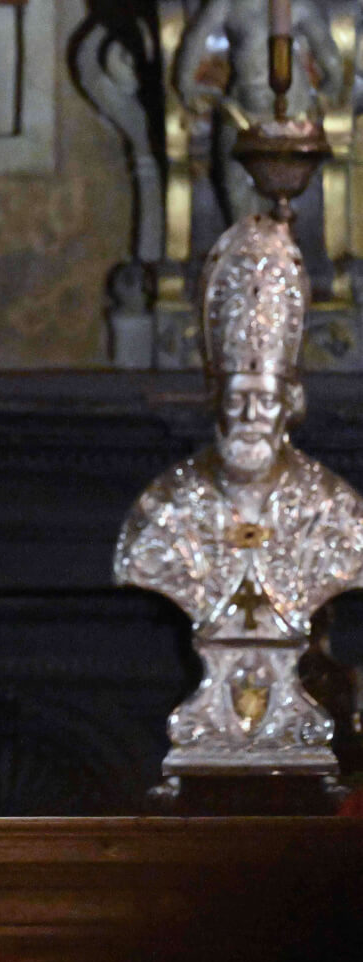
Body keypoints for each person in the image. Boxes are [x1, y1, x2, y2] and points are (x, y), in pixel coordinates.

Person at [116, 215, 363, 763]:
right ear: (216, 403)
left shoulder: (338, 511)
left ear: (288, 408)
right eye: (237, 399)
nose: (251, 415)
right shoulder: (164, 510)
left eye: (265, 399)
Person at [174, 0, 340, 221]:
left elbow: (326, 50)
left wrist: (332, 84)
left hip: (292, 108)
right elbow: (194, 41)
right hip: (240, 107)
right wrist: (185, 83)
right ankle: (247, 250)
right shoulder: (227, 3)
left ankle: (285, 252)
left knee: (291, 186)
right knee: (232, 180)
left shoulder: (294, 4)